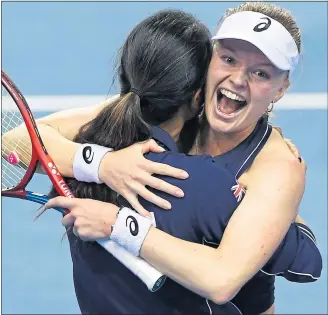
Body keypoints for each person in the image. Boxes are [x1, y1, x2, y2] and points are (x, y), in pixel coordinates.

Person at [3, 3, 321, 315]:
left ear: (281, 89)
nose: (239, 79)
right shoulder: (165, 106)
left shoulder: (275, 169)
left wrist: (117, 223)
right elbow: (14, 143)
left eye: (261, 72)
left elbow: (223, 279)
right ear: (209, 60)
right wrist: (103, 164)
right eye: (228, 59)